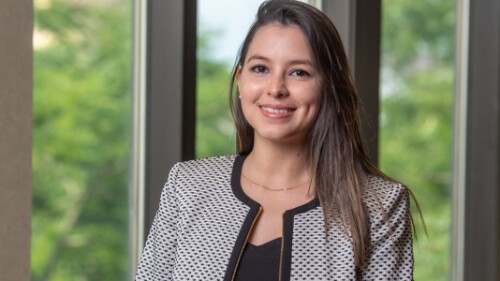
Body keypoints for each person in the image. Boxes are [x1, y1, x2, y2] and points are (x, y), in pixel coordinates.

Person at [135, 0, 417, 280]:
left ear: (330, 88)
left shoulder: (379, 205)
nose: (275, 89)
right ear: (240, 80)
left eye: (299, 72)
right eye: (260, 68)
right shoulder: (187, 186)